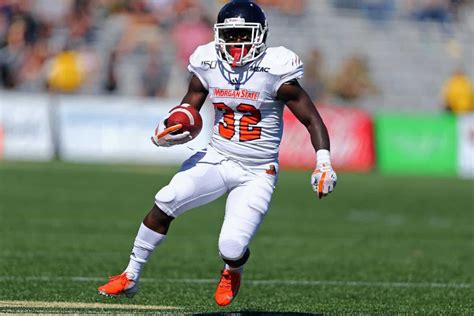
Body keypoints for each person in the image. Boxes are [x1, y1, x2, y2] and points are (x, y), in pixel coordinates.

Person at [97, 0, 337, 307]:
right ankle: (130, 275)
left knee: (232, 246)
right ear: (218, 35)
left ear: (260, 35)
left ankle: (232, 269)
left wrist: (324, 162)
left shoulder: (274, 69)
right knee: (167, 199)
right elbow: (189, 106)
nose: (236, 43)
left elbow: (311, 119)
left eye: (243, 35)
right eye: (230, 35)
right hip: (216, 156)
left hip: (256, 171)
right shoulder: (208, 62)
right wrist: (171, 128)